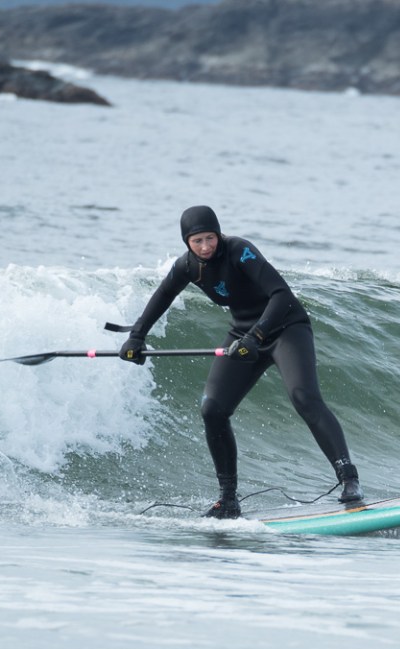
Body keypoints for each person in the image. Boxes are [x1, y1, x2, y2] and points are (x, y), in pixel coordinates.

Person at [119, 205, 363, 519]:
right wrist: (137, 336)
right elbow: (163, 296)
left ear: (219, 234)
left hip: (286, 328)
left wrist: (257, 336)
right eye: (197, 241)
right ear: (186, 243)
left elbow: (281, 295)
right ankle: (228, 500)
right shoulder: (187, 266)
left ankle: (349, 480)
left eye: (210, 238)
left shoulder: (240, 250)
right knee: (213, 409)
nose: (206, 246)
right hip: (243, 333)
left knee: (304, 397)